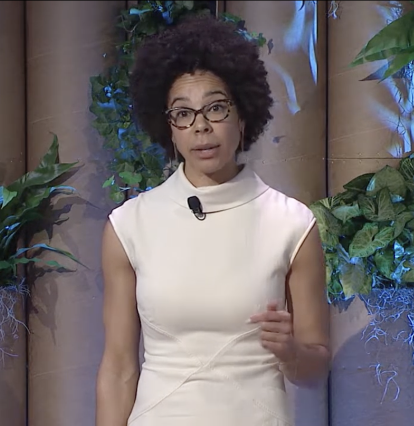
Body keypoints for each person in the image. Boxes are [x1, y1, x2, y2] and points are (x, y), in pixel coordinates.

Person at [96, 13, 330, 426]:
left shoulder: (293, 225)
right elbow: (118, 369)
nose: (200, 127)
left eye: (216, 109)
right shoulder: (128, 225)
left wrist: (292, 352)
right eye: (183, 114)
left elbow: (316, 366)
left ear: (243, 117)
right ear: (168, 128)